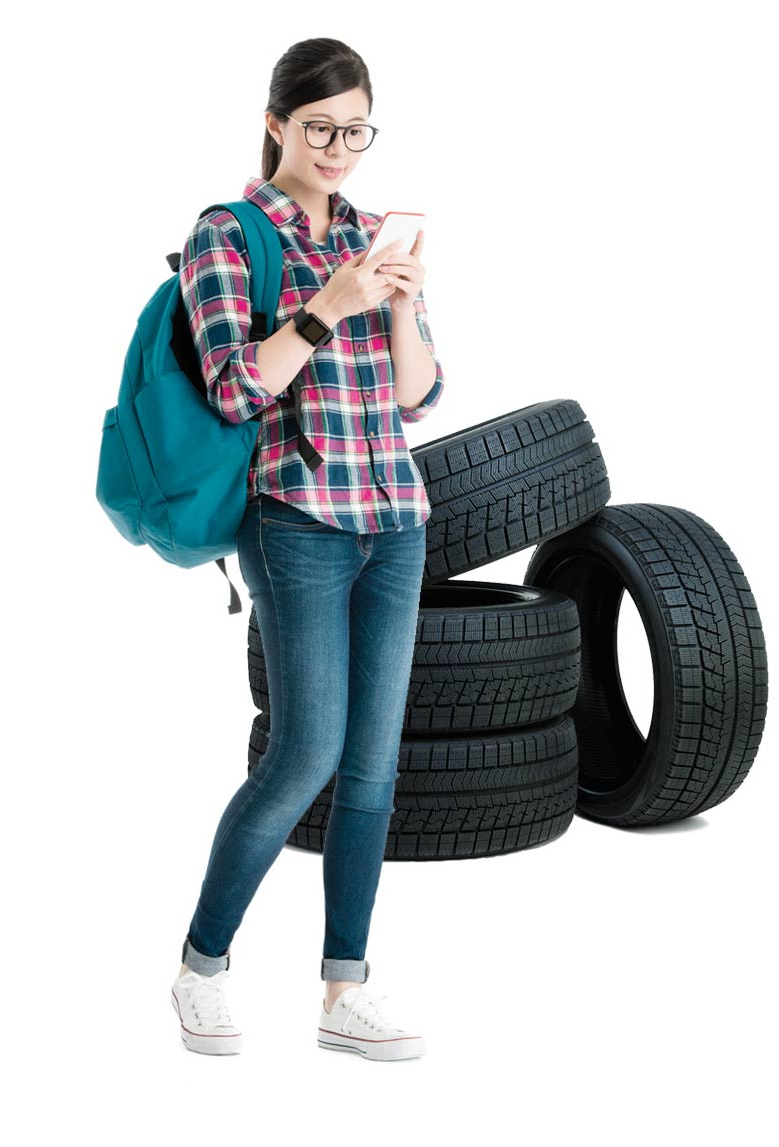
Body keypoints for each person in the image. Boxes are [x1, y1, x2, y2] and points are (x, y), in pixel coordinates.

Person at [169, 37, 445, 1061]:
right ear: (278, 120)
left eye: (356, 131)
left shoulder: (375, 234)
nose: (339, 149)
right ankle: (200, 965)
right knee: (303, 758)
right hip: (298, 522)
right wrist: (330, 305)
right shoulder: (227, 236)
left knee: (373, 768)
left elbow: (417, 395)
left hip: (394, 521)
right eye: (321, 127)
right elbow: (235, 388)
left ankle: (342, 991)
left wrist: (404, 302)